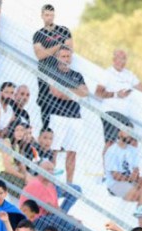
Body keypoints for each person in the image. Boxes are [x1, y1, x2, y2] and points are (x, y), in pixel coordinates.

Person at [41, 46, 87, 184]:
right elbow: (56, 92)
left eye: (68, 56)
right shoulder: (53, 73)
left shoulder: (77, 75)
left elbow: (85, 92)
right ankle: (50, 181)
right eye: (63, 56)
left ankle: (69, 184)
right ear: (57, 57)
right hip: (58, 116)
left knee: (72, 152)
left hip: (75, 118)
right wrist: (75, 92)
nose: (66, 59)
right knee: (53, 150)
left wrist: (67, 91)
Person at [32, 3, 72, 130]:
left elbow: (68, 51)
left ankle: (59, 132)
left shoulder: (64, 30)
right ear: (42, 16)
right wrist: (59, 46)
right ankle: (45, 130)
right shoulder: (38, 34)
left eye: (51, 15)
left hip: (61, 72)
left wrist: (48, 51)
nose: (49, 17)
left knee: (61, 101)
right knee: (45, 102)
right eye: (47, 15)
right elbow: (40, 55)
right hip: (44, 72)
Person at [104, 128, 142, 226]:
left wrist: (135, 174)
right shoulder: (112, 150)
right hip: (115, 183)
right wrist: (130, 179)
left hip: (130, 180)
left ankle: (141, 219)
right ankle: (139, 220)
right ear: (120, 134)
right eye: (127, 133)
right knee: (138, 193)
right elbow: (115, 175)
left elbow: (136, 168)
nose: (130, 135)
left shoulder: (132, 150)